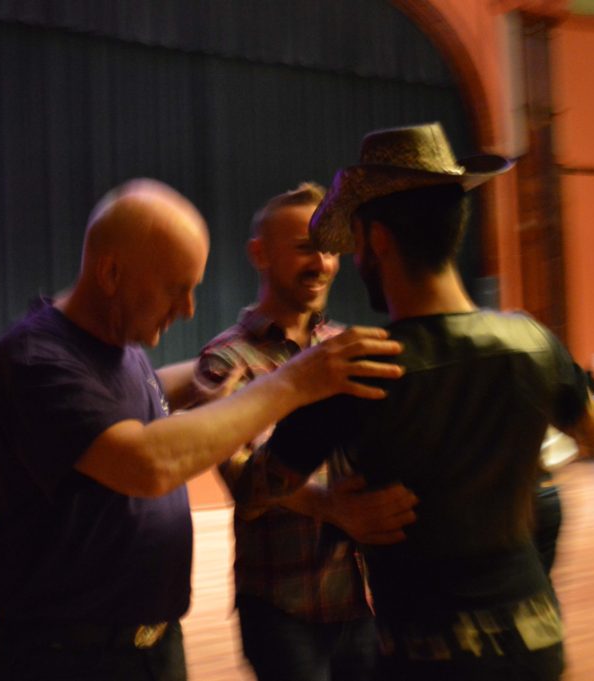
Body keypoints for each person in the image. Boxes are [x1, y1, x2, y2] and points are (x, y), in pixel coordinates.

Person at [0, 178, 407, 681]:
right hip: (66, 657)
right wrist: (293, 381)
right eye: (178, 288)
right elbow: (148, 464)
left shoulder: (118, 348)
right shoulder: (37, 359)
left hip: (147, 648)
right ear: (111, 273)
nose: (189, 307)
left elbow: (145, 392)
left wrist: (217, 375)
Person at [257, 123, 594, 681]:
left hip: (425, 657)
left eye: (357, 246)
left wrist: (329, 503)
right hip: (538, 646)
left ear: (377, 240)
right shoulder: (533, 342)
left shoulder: (357, 366)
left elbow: (265, 484)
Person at [193, 182, 418, 681]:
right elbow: (242, 479)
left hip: (360, 599)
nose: (322, 263)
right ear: (259, 254)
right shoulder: (225, 360)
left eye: (330, 249)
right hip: (281, 607)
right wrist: (335, 507)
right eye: (303, 248)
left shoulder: (343, 346)